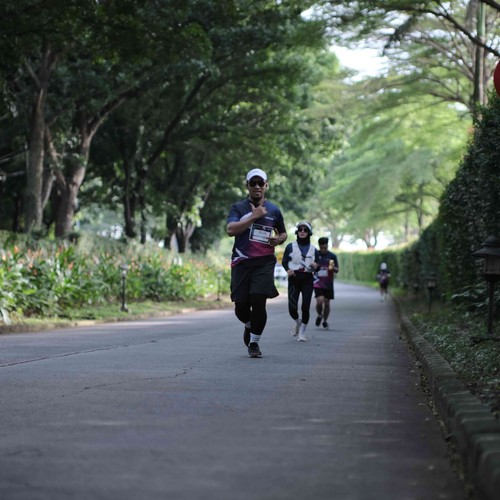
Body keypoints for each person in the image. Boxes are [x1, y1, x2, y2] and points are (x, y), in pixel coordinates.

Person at [226, 168, 287, 358]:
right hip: (241, 262)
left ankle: (254, 343)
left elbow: (283, 233)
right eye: (253, 183)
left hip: (264, 263)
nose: (257, 186)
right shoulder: (238, 208)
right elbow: (230, 230)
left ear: (266, 185)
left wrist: (279, 239)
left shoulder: (274, 210)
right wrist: (254, 216)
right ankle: (249, 324)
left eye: (261, 183)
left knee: (258, 300)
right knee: (241, 307)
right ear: (247, 186)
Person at [281, 221, 319, 342]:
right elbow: (284, 261)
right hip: (294, 279)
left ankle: (302, 333)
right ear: (297, 232)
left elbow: (318, 266)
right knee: (292, 308)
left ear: (309, 233)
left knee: (305, 307)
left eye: (305, 230)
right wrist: (288, 270)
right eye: (300, 229)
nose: (302, 231)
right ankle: (298, 322)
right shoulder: (290, 246)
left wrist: (316, 266)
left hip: (307, 279)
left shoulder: (314, 249)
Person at [313, 237, 339, 329]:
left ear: (327, 246)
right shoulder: (315, 255)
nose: (323, 249)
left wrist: (333, 268)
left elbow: (336, 270)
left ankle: (324, 321)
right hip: (317, 282)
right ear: (319, 246)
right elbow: (311, 267)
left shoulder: (332, 256)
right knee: (319, 301)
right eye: (322, 248)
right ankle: (320, 315)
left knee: (327, 303)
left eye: (325, 247)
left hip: (328, 283)